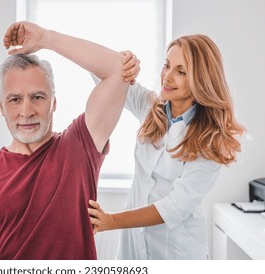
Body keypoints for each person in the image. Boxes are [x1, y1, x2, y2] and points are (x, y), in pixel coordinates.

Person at [0, 21, 139, 260]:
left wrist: (45, 39)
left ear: (54, 102)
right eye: (14, 99)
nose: (26, 111)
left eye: (37, 97)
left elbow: (116, 68)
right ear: (1, 107)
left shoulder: (79, 146)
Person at [88, 34, 245, 260]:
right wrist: (121, 63)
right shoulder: (150, 106)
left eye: (181, 72)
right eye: (167, 65)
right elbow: (101, 73)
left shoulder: (210, 138)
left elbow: (175, 206)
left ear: (201, 80)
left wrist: (111, 221)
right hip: (133, 249)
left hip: (178, 253)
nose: (167, 77)